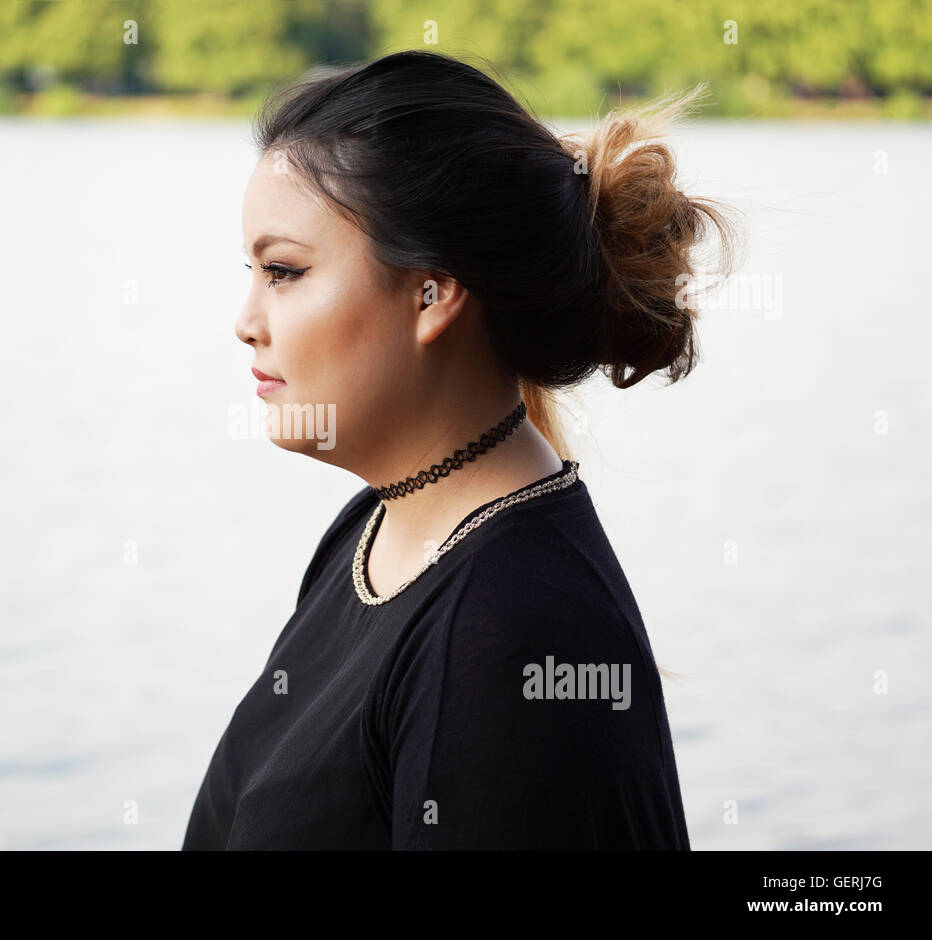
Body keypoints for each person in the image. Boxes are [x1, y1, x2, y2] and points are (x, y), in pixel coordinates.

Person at [182, 49, 741, 850]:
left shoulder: (509, 639)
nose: (246, 320)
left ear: (432, 293)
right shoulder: (374, 531)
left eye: (284, 271)